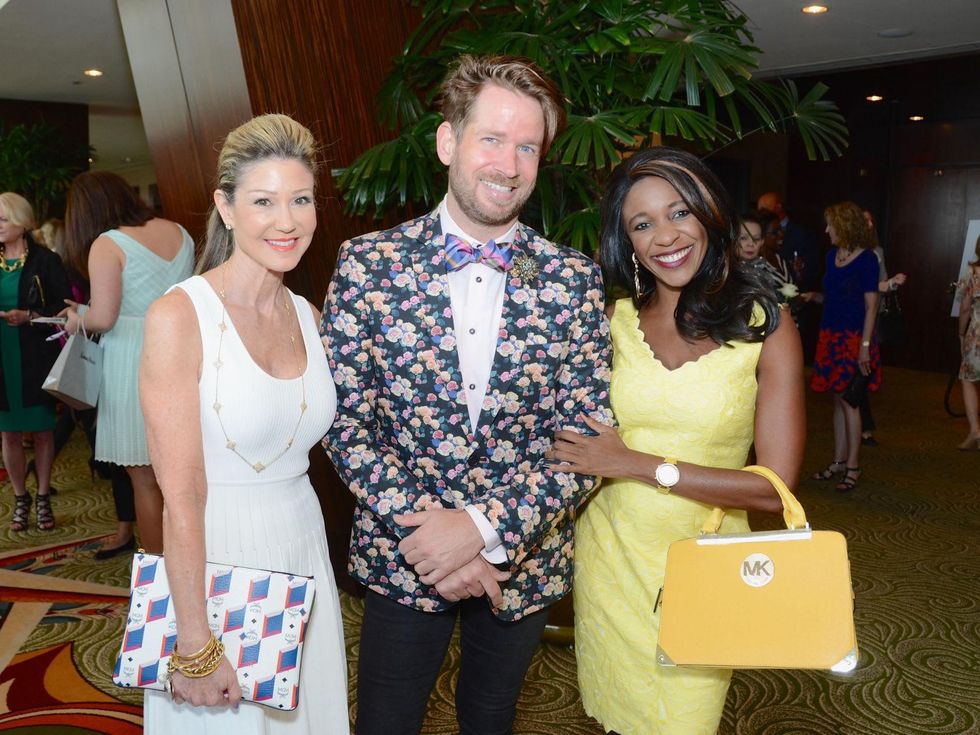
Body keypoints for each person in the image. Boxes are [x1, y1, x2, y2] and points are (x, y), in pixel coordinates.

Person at [322, 54, 611, 735]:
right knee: (385, 723)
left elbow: (589, 437)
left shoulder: (576, 280)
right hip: (404, 554)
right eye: (491, 138)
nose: (508, 165)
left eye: (527, 146)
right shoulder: (368, 263)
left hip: (524, 557)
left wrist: (480, 530)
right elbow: (344, 421)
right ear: (449, 142)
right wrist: (433, 536)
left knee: (491, 719)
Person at [547, 147, 802, 735]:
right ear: (627, 242)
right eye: (642, 224)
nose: (665, 235)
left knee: (683, 722)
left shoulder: (766, 324)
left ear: (710, 214)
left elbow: (775, 489)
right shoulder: (606, 322)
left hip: (702, 569)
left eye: (679, 212)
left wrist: (636, 464)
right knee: (618, 717)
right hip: (611, 562)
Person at [140, 114, 349, 732]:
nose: (286, 221)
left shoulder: (309, 315)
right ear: (225, 209)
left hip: (303, 545)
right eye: (263, 201)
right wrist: (195, 642)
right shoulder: (180, 316)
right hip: (214, 551)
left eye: (301, 200)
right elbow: (180, 496)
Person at [62, 171, 194, 554]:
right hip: (180, 349)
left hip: (133, 359)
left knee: (146, 479)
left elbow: (104, 319)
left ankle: (160, 580)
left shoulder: (108, 243)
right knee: (183, 478)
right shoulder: (178, 231)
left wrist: (75, 320)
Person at [0, 192, 71, 531]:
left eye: (3, 219)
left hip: (35, 355)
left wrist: (29, 316)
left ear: (22, 222)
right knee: (8, 433)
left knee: (43, 431)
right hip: (2, 358)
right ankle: (20, 497)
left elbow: (63, 310)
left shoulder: (46, 260)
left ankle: (42, 495)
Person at [805, 201, 880, 491]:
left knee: (851, 401)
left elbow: (871, 306)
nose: (826, 230)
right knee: (837, 401)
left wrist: (864, 346)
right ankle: (838, 461)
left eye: (830, 225)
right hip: (830, 336)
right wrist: (815, 296)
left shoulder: (868, 260)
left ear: (844, 226)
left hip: (853, 339)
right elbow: (835, 297)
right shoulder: (831, 256)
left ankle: (853, 465)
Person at [857, 209, 907, 448]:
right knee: (858, 372)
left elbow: (881, 284)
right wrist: (887, 283)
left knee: (864, 371)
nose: (868, 225)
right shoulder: (845, 254)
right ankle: (863, 426)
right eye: (863, 221)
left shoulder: (877, 252)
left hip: (872, 316)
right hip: (853, 317)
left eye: (871, 221)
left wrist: (891, 284)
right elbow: (856, 286)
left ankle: (862, 424)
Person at [737, 210, 796, 304]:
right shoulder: (725, 273)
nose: (751, 244)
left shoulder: (764, 268)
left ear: (762, 242)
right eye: (743, 238)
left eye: (756, 239)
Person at [956, 235, 980, 450]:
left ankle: (975, 431)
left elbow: (964, 308)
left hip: (977, 336)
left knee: (968, 379)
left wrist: (961, 333)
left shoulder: (973, 273)